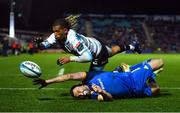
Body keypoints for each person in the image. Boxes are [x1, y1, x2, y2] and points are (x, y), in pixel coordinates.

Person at [34, 15, 142, 71]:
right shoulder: (56, 35)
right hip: (94, 42)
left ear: (65, 30)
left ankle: (120, 72)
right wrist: (39, 44)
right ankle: (133, 46)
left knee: (91, 82)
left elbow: (88, 57)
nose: (55, 34)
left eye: (58, 31)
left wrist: (70, 58)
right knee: (112, 51)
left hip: (98, 54)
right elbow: (44, 45)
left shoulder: (73, 40)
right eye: (54, 31)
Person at [33, 58, 164, 101]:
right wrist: (101, 92)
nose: (79, 94)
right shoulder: (95, 95)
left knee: (159, 61)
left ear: (80, 85)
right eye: (78, 96)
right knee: (156, 90)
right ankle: (151, 75)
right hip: (135, 92)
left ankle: (135, 69)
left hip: (131, 78)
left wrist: (47, 82)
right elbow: (110, 98)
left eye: (77, 90)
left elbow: (69, 76)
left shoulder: (89, 78)